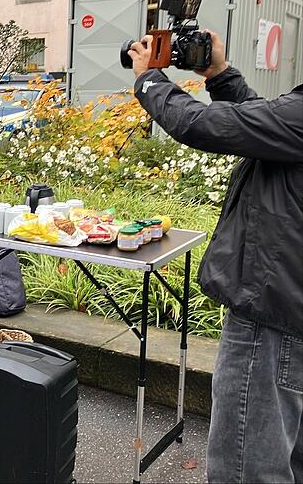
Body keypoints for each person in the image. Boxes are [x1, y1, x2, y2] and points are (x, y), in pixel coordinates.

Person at [127, 31, 302, 483]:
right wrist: (219, 74)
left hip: (272, 319)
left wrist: (149, 79)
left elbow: (203, 125)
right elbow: (265, 126)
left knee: (246, 468)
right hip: (291, 312)